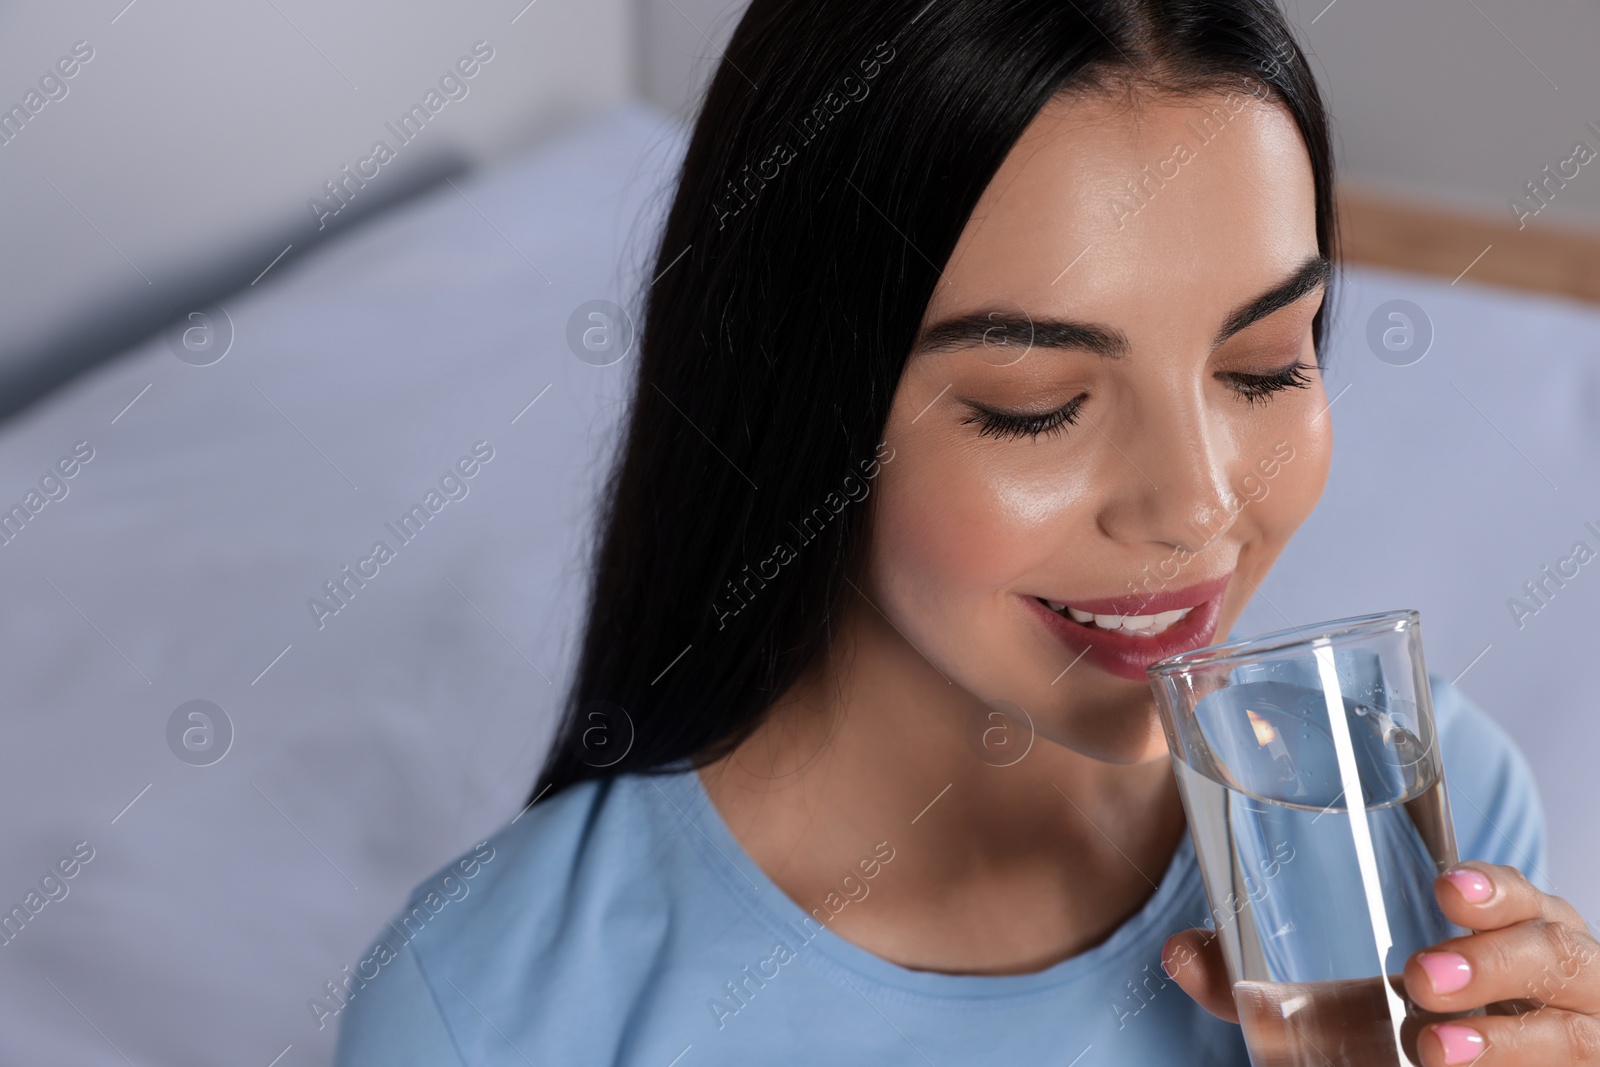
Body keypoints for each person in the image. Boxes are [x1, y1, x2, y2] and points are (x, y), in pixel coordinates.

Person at [336, 1, 1596, 1063]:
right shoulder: (490, 1012)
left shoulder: (1412, 818)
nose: (1198, 506)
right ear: (799, 412)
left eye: (1267, 365)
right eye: (1035, 407)